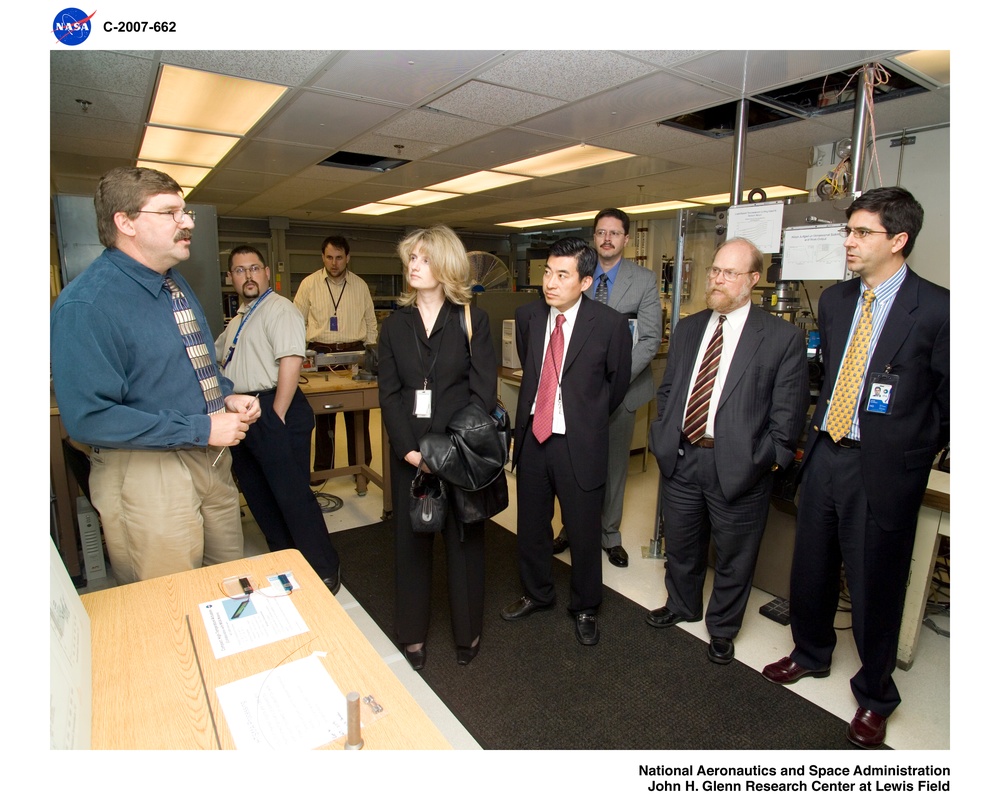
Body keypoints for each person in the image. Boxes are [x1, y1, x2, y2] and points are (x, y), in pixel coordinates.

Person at [762, 187, 949, 749]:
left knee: (875, 583)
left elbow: (952, 400)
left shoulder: (938, 308)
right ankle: (811, 652)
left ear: (898, 240)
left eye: (862, 232)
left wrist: (913, 449)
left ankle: (875, 693)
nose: (848, 241)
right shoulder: (838, 301)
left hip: (884, 465)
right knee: (811, 565)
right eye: (849, 230)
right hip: (827, 451)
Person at [50, 166, 260, 585]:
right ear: (125, 222)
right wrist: (202, 427)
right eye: (169, 213)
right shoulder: (87, 305)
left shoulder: (174, 283)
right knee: (170, 598)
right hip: (147, 472)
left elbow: (189, 361)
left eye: (185, 212)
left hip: (208, 459)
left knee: (227, 584)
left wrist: (222, 396)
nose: (187, 223)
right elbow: (89, 418)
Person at [646, 237, 809, 665]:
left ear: (753, 279)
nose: (717, 279)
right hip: (683, 456)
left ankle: (722, 627)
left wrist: (764, 459)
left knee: (736, 555)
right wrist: (664, 435)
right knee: (682, 543)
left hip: (740, 465)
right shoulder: (689, 328)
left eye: (729, 273)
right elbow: (669, 390)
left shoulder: (781, 337)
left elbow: (788, 416)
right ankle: (681, 604)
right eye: (715, 270)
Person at [501, 237, 632, 646]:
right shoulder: (527, 316)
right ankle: (537, 593)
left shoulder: (609, 325)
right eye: (547, 272)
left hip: (579, 443)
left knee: (583, 530)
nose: (550, 283)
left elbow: (616, 386)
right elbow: (532, 369)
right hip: (534, 438)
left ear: (586, 282)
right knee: (531, 525)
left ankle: (586, 606)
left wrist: (585, 418)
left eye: (562, 275)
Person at [377, 225, 497, 670]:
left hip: (459, 454)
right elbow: (389, 394)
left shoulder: (472, 320)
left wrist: (447, 451)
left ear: (445, 265)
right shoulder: (395, 325)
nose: (414, 265)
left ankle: (468, 632)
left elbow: (482, 394)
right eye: (412, 257)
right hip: (410, 455)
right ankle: (412, 634)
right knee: (411, 543)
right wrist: (411, 452)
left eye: (424, 259)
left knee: (464, 542)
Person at [215, 246, 342, 595]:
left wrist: (276, 416)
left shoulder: (279, 309)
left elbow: (290, 361)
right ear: (231, 278)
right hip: (244, 413)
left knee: (292, 497)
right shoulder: (239, 319)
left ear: (267, 272)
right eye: (240, 270)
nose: (248, 275)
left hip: (274, 407)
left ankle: (323, 567)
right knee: (259, 496)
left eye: (254, 268)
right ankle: (286, 560)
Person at [552, 208, 662, 568]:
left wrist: (614, 378)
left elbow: (650, 339)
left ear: (626, 239)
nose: (607, 239)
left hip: (622, 391)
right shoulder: (577, 274)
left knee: (614, 467)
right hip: (575, 392)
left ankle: (610, 534)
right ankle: (571, 527)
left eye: (615, 233)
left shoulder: (643, 281)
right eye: (601, 232)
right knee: (573, 464)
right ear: (594, 237)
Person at [293, 235, 378, 487]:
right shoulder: (309, 284)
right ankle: (323, 469)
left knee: (358, 415)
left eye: (339, 258)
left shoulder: (360, 286)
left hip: (354, 355)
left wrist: (370, 355)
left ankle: (361, 468)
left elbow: (371, 323)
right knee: (323, 416)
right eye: (329, 257)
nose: (334, 263)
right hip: (320, 355)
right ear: (322, 257)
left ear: (347, 258)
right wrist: (300, 354)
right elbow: (296, 321)